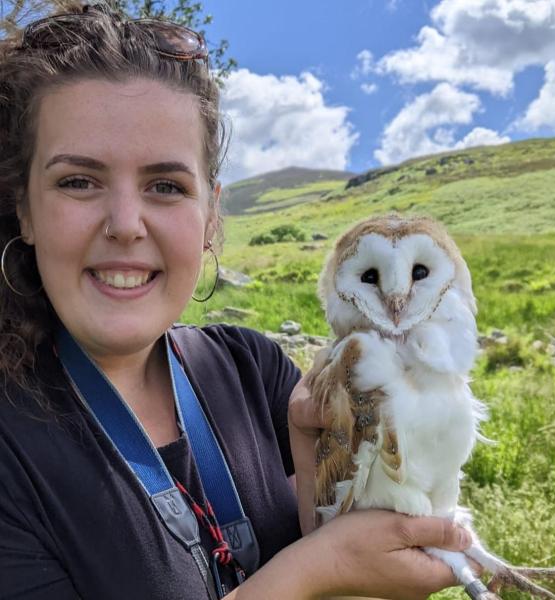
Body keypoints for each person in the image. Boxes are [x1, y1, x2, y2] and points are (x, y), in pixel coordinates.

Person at [0, 3, 477, 599]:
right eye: (78, 181)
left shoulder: (254, 369)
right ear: (24, 208)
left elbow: (355, 561)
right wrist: (316, 568)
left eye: (166, 186)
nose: (125, 224)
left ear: (210, 214)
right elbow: (330, 566)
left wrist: (313, 450)